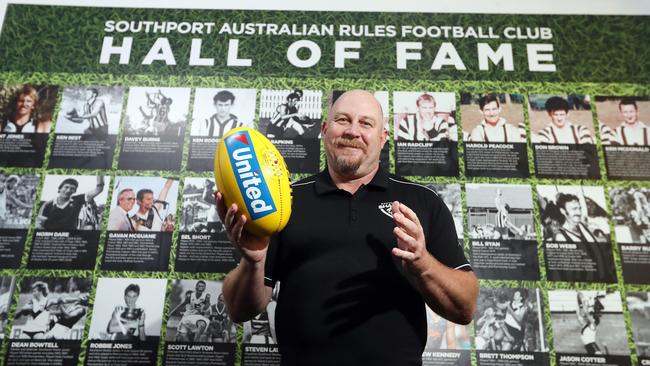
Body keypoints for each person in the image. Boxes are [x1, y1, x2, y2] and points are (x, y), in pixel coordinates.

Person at [218, 90, 478, 365]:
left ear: (383, 138)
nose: (353, 131)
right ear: (325, 129)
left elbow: (465, 307)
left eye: (366, 123)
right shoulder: (284, 201)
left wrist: (423, 264)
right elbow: (238, 309)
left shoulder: (422, 201)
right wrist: (253, 263)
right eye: (343, 120)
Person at [36, 176, 105, 231]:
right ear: (60, 189)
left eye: (72, 188)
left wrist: (100, 173)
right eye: (66, 187)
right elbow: (40, 225)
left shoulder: (78, 200)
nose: (68, 190)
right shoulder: (47, 205)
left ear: (74, 191)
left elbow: (99, 189)